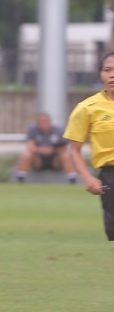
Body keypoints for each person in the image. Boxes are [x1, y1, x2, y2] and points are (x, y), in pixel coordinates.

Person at [65, 51, 114, 238]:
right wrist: (88, 178)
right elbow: (74, 151)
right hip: (111, 176)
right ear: (100, 74)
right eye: (107, 70)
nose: (112, 75)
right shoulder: (87, 108)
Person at [16, 112, 76, 183]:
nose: (43, 124)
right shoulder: (32, 130)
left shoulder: (58, 130)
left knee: (64, 154)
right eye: (41, 122)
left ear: (50, 121)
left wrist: (52, 149)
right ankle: (21, 178)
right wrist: (41, 150)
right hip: (38, 160)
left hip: (55, 160)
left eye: (45, 121)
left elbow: (64, 146)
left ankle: (72, 178)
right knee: (27, 153)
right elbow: (30, 146)